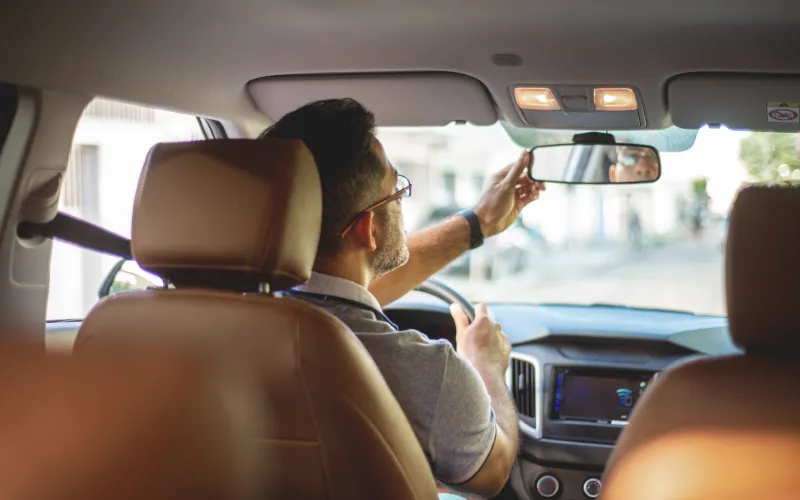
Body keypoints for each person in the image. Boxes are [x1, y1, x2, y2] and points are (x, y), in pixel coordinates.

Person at [260, 98, 544, 498]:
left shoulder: (213, 320)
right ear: (368, 229)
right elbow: (493, 472)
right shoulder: (426, 372)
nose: (401, 200)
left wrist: (479, 222)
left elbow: (336, 295)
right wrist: (486, 364)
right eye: (396, 190)